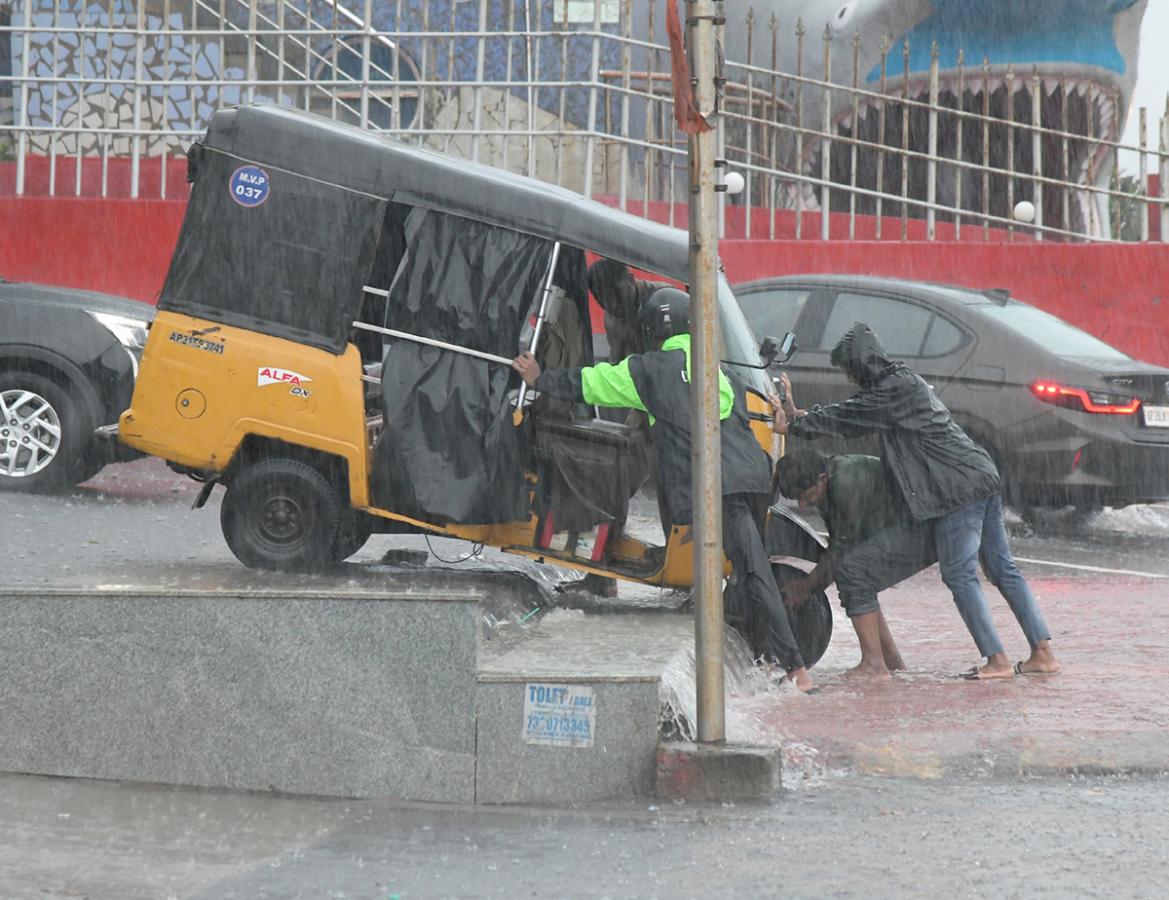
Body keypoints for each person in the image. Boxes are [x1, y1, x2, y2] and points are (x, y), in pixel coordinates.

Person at [513, 287, 815, 692]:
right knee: (746, 572)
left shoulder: (648, 369)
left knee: (753, 572)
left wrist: (541, 378)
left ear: (652, 329)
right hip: (753, 475)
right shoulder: (716, 366)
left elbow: (592, 383)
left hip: (717, 484)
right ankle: (765, 659)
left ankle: (797, 672)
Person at [773, 322, 1060, 680]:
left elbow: (850, 417)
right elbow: (851, 411)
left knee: (959, 574)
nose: (849, 379)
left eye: (849, 372)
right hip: (978, 475)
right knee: (1002, 570)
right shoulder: (899, 384)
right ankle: (1042, 653)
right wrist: (800, 416)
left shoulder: (893, 391)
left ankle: (997, 661)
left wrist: (796, 426)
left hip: (956, 489)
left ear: (860, 367)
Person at [775, 449, 938, 680]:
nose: (802, 504)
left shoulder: (845, 482)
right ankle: (891, 662)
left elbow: (841, 549)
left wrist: (805, 587)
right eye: (796, 499)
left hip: (925, 527)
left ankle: (874, 664)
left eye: (805, 495)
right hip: (912, 523)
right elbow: (836, 546)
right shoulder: (829, 483)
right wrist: (810, 585)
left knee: (852, 572)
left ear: (822, 479)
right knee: (857, 575)